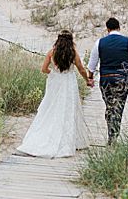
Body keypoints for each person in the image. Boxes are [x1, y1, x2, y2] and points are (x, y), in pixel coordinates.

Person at [16, 30, 91, 158]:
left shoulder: (52, 53)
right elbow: (81, 69)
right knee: (67, 109)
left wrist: (53, 73)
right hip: (68, 83)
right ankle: (68, 140)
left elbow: (44, 69)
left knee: (51, 107)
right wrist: (87, 80)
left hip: (55, 82)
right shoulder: (73, 54)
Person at [86, 17, 128, 143]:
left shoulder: (100, 43)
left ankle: (111, 133)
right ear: (119, 28)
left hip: (106, 80)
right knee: (118, 107)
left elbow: (91, 66)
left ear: (107, 29)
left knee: (110, 106)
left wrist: (90, 78)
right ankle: (114, 135)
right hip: (121, 80)